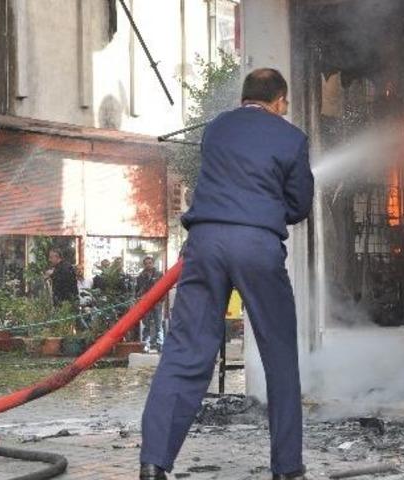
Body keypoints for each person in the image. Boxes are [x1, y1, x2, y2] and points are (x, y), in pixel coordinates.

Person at [139, 68, 313, 480]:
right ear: (280, 101)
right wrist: (269, 211)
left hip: (205, 244)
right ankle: (287, 469)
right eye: (285, 103)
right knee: (279, 355)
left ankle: (153, 462)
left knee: (184, 353)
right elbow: (299, 205)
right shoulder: (292, 139)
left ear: (244, 97)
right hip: (258, 247)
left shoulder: (217, 129)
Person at [135, 256, 163, 353]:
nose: (148, 265)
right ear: (144, 265)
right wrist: (139, 297)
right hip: (145, 303)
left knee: (158, 324)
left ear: (153, 263)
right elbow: (137, 290)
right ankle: (146, 345)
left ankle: (160, 344)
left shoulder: (159, 275)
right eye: (146, 263)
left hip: (157, 303)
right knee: (146, 324)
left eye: (150, 263)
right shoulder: (140, 276)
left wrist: (161, 300)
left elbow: (163, 288)